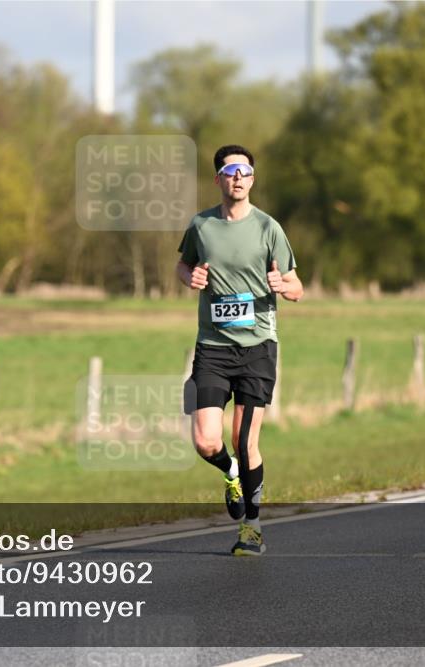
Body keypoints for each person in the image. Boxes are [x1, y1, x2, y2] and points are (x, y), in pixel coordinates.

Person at [176, 144, 303, 556]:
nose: (238, 177)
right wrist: (189, 277)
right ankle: (230, 472)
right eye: (231, 171)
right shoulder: (201, 226)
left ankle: (252, 527)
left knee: (244, 437)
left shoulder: (269, 228)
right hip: (212, 347)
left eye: (245, 171)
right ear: (218, 179)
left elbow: (297, 285)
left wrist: (287, 287)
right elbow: (183, 264)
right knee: (206, 441)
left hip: (257, 347)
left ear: (252, 179)